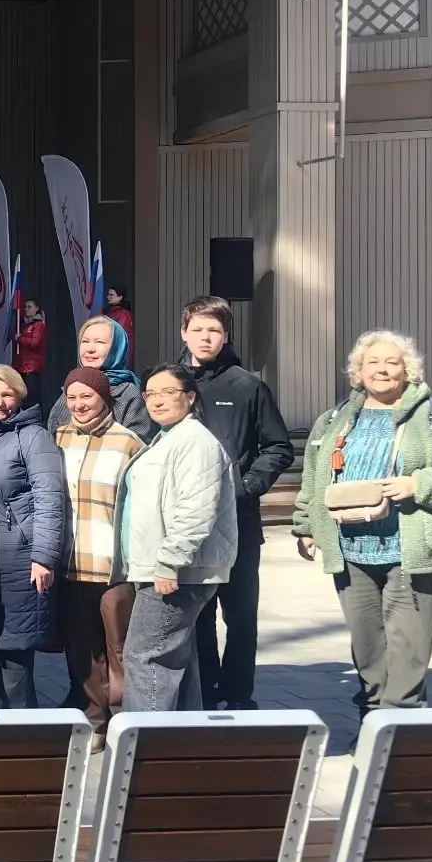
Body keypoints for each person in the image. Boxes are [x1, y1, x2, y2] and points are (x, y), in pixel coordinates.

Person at [293, 332, 432, 713]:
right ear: (358, 371)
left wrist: (419, 484)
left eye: (391, 362)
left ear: (407, 370)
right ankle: (373, 716)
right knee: (366, 643)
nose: (381, 370)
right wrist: (306, 526)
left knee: (408, 642)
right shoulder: (333, 421)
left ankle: (401, 722)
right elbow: (313, 475)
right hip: (349, 548)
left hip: (409, 548)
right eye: (373, 362)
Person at [179, 295, 293, 710]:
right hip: (188, 523)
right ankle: (205, 693)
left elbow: (278, 447)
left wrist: (247, 486)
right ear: (184, 333)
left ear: (226, 335)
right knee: (198, 617)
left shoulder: (247, 386)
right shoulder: (171, 384)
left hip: (239, 521)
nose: (205, 337)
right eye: (197, 329)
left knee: (240, 616)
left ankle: (239, 694)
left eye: (214, 330)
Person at [121, 365, 239, 713]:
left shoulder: (194, 441)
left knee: (146, 657)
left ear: (190, 397)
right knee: (175, 659)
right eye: (150, 393)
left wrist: (170, 561)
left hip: (176, 571)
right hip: (163, 568)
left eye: (168, 392)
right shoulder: (168, 437)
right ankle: (185, 736)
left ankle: (146, 738)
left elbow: (195, 508)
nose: (157, 401)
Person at [0, 364, 66, 708]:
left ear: (20, 398)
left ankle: (25, 728)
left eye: (8, 394)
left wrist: (44, 556)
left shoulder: (33, 437)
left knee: (14, 651)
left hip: (18, 557)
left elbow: (50, 497)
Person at [53, 367, 145, 739]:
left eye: (86, 397)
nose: (78, 405)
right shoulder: (57, 439)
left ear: (104, 398)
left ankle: (124, 721)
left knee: (120, 648)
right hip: (70, 563)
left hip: (114, 567)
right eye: (71, 398)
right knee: (83, 649)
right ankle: (94, 719)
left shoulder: (129, 443)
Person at [47, 317, 152, 438]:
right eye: (85, 341)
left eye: (100, 342)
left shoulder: (128, 393)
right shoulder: (72, 388)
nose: (90, 349)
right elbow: (53, 436)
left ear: (117, 347)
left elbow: (138, 441)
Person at [13, 298, 48, 406]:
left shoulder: (39, 325)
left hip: (32, 367)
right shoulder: (25, 325)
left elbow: (35, 343)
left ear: (36, 308)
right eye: (25, 307)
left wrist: (20, 338)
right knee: (24, 397)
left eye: (29, 307)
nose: (26, 309)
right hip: (23, 366)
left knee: (33, 397)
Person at [103, 286, 134, 361]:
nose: (108, 297)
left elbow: (119, 333)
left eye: (111, 295)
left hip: (118, 352)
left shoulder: (123, 313)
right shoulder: (109, 312)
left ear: (120, 297)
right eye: (108, 294)